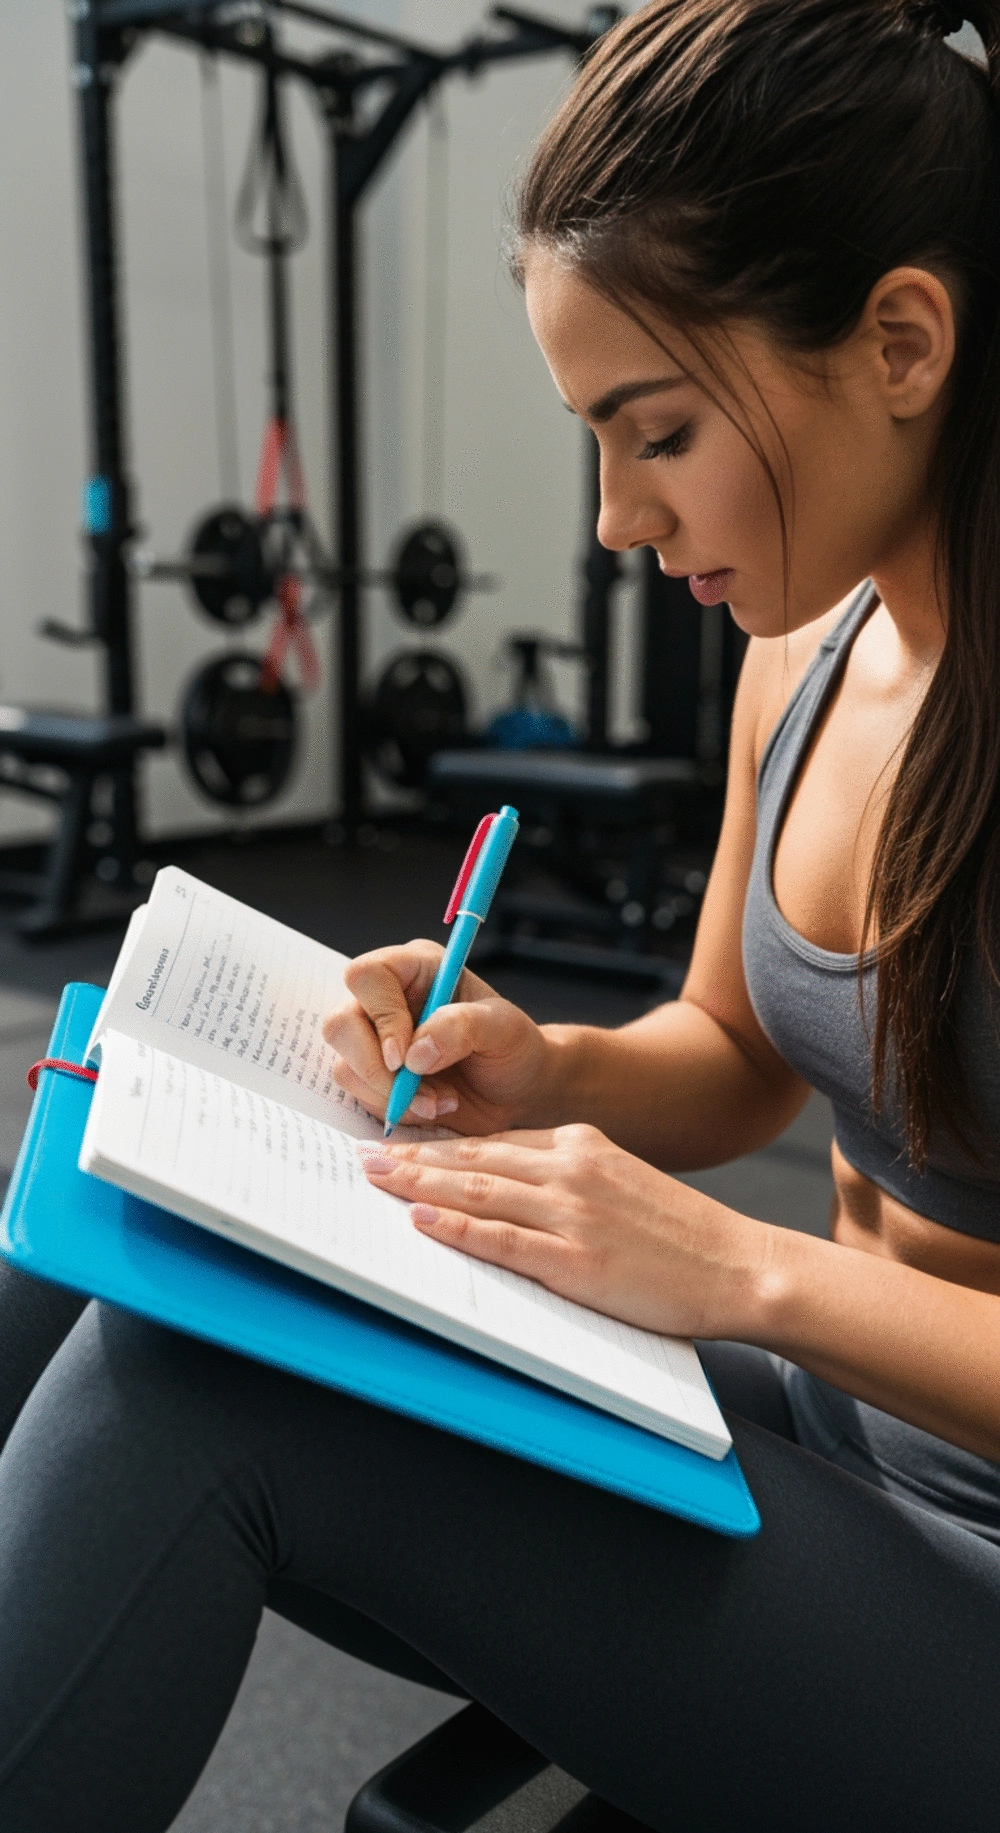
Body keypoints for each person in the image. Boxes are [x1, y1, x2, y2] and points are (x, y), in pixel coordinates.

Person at [3, 1, 1000, 1827]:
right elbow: (735, 1053)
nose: (620, 518)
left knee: (192, 1394)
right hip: (825, 1426)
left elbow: (765, 1243)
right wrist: (546, 1073)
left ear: (904, 343)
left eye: (663, 431)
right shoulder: (801, 645)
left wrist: (744, 1273)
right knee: (93, 1238)